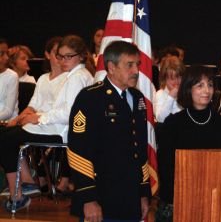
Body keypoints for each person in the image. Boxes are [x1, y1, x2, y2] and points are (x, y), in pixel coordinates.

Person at [0, 35, 93, 212]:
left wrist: (39, 118)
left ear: (81, 56)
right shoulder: (74, 75)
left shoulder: (77, 77)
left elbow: (68, 114)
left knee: (6, 140)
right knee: (6, 136)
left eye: (69, 56)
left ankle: (18, 194)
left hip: (60, 131)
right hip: (56, 127)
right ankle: (26, 184)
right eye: (61, 56)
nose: (64, 60)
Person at [67, 41, 151, 221]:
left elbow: (140, 149)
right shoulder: (90, 97)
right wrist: (88, 198)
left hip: (130, 197)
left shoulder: (137, 98)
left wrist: (143, 193)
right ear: (111, 67)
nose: (136, 71)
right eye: (129, 65)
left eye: (137, 64)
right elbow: (78, 151)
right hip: (101, 197)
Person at [157, 65, 221, 221]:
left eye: (210, 85)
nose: (206, 90)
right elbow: (165, 168)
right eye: (200, 85)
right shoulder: (173, 124)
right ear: (188, 89)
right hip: (181, 204)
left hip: (216, 204)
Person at [153, 56, 185, 123]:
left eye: (179, 77)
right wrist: (171, 96)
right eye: (172, 78)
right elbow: (161, 119)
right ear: (164, 79)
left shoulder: (186, 92)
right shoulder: (160, 94)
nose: (176, 81)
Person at [0, 38, 18, 123]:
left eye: (6, 53)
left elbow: (8, 112)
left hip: (7, 124)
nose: (6, 58)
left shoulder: (12, 76)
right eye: (1, 54)